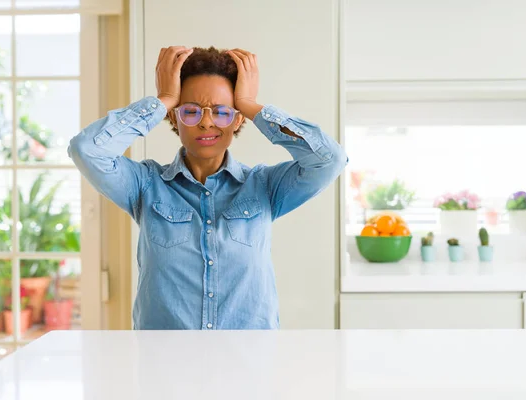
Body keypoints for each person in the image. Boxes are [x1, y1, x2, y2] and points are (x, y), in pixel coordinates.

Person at [68, 46, 347, 330]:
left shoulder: (264, 186)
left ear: (238, 119)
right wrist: (162, 101)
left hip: (249, 366)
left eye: (222, 112)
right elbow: (87, 150)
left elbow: (329, 160)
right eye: (190, 111)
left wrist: (250, 105)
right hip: (165, 367)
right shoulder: (145, 185)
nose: (206, 122)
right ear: (175, 118)